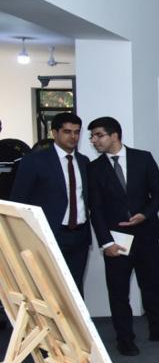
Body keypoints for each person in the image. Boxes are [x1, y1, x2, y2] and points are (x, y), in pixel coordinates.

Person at [87, 117, 159, 356]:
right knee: (119, 292)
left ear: (114, 135)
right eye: (92, 136)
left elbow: (158, 192)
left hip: (146, 234)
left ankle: (158, 329)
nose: (94, 140)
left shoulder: (143, 158)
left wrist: (145, 215)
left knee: (151, 286)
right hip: (116, 240)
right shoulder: (94, 168)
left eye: (98, 135)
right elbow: (95, 209)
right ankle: (125, 338)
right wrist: (106, 242)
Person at [11, 112, 91, 292]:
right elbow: (19, 201)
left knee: (75, 289)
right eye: (67, 132)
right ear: (54, 133)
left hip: (80, 236)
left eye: (77, 132)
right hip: (49, 234)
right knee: (49, 288)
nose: (73, 137)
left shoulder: (84, 161)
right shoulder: (34, 161)